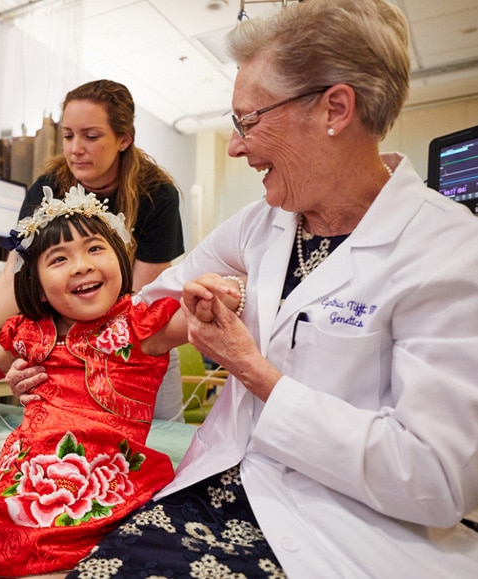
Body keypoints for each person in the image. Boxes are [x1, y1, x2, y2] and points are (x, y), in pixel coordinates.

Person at [56, 1, 478, 576]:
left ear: (335, 108)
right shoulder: (264, 223)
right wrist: (55, 357)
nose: (235, 146)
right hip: (226, 480)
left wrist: (253, 371)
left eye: (249, 121)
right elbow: (149, 308)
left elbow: (433, 478)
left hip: (349, 529)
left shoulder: (449, 247)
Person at [0, 187, 241, 578]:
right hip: (23, 476)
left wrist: (221, 293)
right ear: (37, 284)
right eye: (59, 258)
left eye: (94, 249)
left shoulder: (139, 327)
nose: (81, 266)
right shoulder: (28, 333)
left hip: (102, 481)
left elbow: (200, 317)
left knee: (64, 556)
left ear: (121, 259)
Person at [0, 79, 187, 420]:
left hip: (140, 341)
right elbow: (13, 281)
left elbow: (142, 300)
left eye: (90, 136)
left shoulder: (156, 194)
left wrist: (61, 350)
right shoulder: (49, 188)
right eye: (68, 135)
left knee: (162, 441)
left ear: (123, 138)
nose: (75, 148)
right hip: (67, 339)